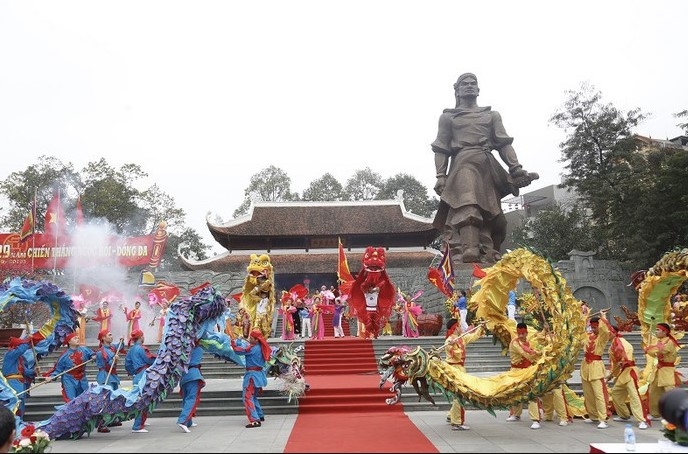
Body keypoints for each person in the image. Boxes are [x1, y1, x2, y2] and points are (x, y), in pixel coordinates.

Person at [431, 72, 537, 265]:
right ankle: (468, 249)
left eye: (473, 83)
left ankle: (489, 250)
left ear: (478, 89)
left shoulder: (491, 115)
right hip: (463, 162)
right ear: (457, 90)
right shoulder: (448, 117)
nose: (470, 86)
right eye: (465, 84)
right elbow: (441, 148)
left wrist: (515, 168)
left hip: (488, 165)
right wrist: (441, 175)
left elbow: (503, 144)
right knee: (467, 203)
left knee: (495, 217)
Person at [444, 318, 485, 430]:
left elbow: (473, 336)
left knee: (458, 395)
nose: (461, 328)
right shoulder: (449, 341)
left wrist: (481, 327)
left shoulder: (461, 338)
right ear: (455, 328)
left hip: (460, 369)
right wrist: (453, 345)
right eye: (459, 326)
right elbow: (457, 355)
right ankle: (457, 422)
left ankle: (451, 416)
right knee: (460, 395)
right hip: (453, 369)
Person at [607, 325, 648, 429]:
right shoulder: (612, 344)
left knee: (634, 395)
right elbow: (615, 363)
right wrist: (611, 375)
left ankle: (641, 420)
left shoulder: (621, 342)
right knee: (616, 393)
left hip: (630, 372)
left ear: (613, 332)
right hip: (623, 373)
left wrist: (625, 361)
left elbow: (627, 355)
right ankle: (624, 415)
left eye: (608, 332)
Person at [230, 328, 271, 428]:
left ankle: (255, 420)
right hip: (259, 375)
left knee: (247, 397)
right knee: (253, 397)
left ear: (256, 340)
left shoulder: (252, 349)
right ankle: (260, 415)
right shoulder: (261, 347)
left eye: (251, 338)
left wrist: (235, 341)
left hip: (252, 376)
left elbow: (238, 351)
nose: (250, 339)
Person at [579, 311, 613, 429]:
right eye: (592, 327)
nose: (593, 329)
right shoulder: (588, 337)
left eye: (595, 327)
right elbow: (579, 334)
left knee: (599, 394)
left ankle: (602, 418)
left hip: (596, 366)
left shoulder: (602, 338)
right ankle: (593, 416)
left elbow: (605, 331)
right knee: (588, 394)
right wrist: (583, 319)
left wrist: (603, 317)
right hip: (586, 367)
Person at [506, 322, 543, 429]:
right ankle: (516, 414)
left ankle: (535, 419)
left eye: (523, 333)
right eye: (519, 333)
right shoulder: (515, 343)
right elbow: (525, 353)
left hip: (528, 371)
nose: (521, 336)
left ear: (526, 333)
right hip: (516, 371)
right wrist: (537, 353)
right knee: (515, 393)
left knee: (532, 394)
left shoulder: (529, 342)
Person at [44, 332, 96, 402]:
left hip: (82, 378)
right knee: (71, 401)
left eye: (78, 338)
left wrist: (94, 356)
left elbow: (92, 354)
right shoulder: (64, 355)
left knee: (84, 400)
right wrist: (52, 377)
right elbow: (58, 369)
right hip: (69, 380)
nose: (77, 339)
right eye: (75, 338)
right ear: (69, 341)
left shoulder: (84, 350)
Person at [644, 322, 681, 420]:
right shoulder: (659, 341)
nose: (656, 332)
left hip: (667, 370)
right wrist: (649, 350)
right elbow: (655, 354)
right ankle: (655, 413)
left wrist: (649, 349)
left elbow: (661, 351)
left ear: (665, 332)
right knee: (653, 391)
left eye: (658, 330)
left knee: (670, 392)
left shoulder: (669, 342)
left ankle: (676, 413)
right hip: (658, 370)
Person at [124, 329, 157, 433]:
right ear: (141, 337)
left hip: (137, 375)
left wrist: (133, 372)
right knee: (142, 400)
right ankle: (137, 425)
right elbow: (148, 360)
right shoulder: (142, 348)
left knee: (141, 399)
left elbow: (127, 364)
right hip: (144, 375)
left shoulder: (132, 349)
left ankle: (142, 420)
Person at [94, 330, 124, 433]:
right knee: (106, 400)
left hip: (113, 376)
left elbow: (120, 346)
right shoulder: (100, 352)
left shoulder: (112, 347)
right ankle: (101, 424)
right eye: (109, 335)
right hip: (105, 376)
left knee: (114, 398)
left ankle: (111, 420)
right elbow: (105, 365)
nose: (111, 337)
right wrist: (114, 360)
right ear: (103, 338)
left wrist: (122, 341)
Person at [1, 336, 37, 418]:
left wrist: (34, 371)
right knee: (16, 404)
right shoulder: (11, 354)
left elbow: (25, 371)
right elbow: (21, 349)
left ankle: (19, 422)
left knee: (21, 405)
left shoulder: (19, 359)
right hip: (13, 383)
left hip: (20, 383)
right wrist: (28, 340)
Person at [176, 343, 205, 433]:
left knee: (186, 398)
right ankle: (183, 421)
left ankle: (189, 421)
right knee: (191, 399)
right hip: (193, 375)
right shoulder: (199, 349)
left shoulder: (183, 349)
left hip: (184, 375)